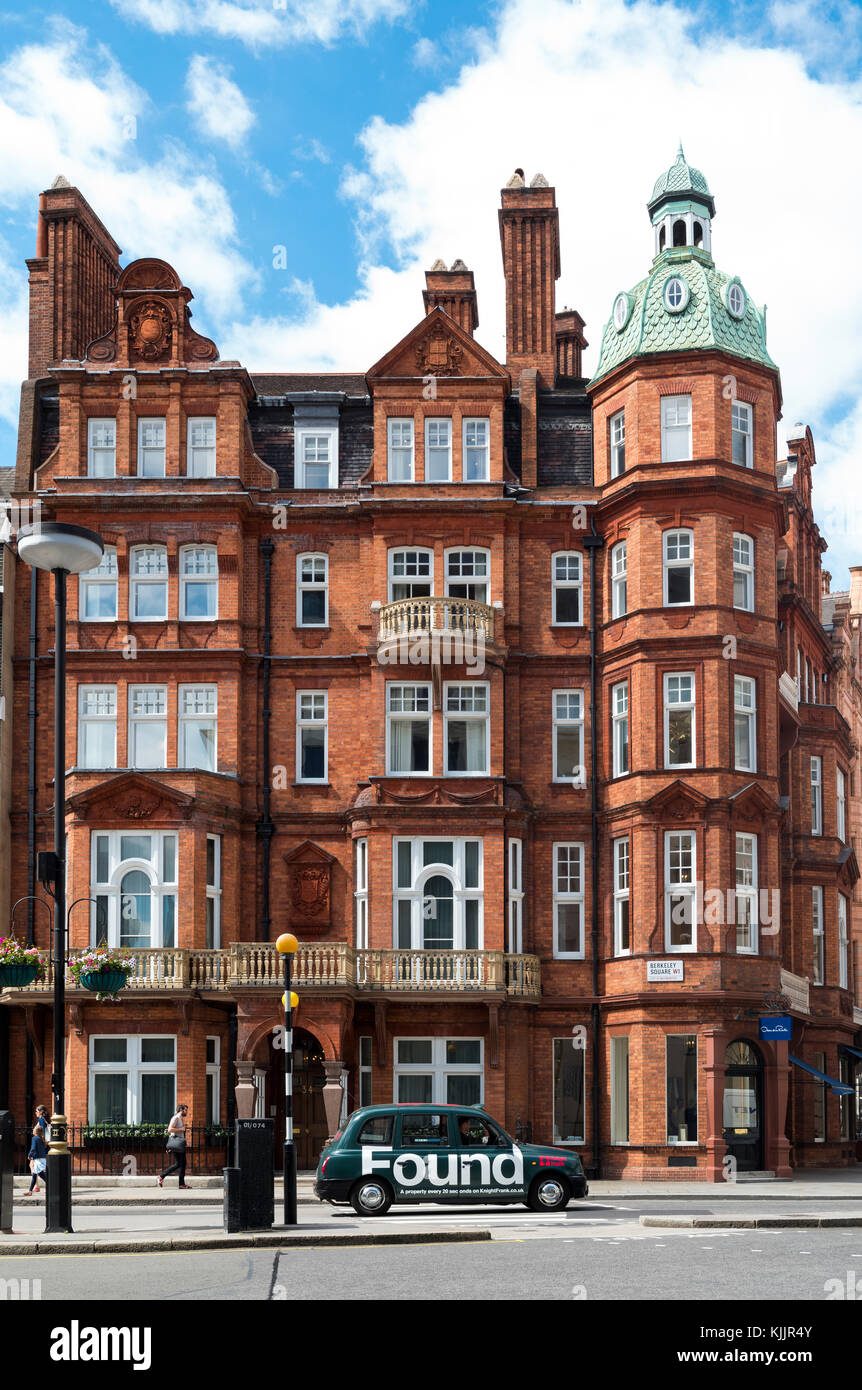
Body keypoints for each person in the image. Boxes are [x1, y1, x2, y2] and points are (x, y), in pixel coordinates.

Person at [158, 1103, 189, 1189]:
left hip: (179, 1144)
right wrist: (181, 1129)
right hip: (177, 1143)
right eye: (186, 1110)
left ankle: (181, 1184)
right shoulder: (175, 1118)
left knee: (183, 1164)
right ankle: (161, 1176)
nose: (187, 1112)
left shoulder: (180, 1118)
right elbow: (170, 1129)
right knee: (179, 1164)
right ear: (181, 1110)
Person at [27, 1118, 49, 1195]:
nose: (33, 1130)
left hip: (38, 1159)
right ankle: (30, 1191)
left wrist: (29, 1155)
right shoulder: (41, 1139)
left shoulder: (34, 1138)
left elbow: (33, 1148)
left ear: (35, 1132)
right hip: (41, 1159)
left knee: (40, 1175)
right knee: (35, 1175)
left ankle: (51, 1185)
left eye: (34, 1129)